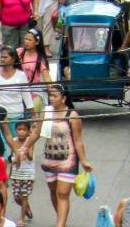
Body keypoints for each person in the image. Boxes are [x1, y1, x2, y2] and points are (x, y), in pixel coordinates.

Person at [39, 83, 92, 227]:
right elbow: (36, 132)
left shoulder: (72, 116)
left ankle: (60, 225)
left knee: (62, 193)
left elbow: (78, 140)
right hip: (49, 159)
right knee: (53, 191)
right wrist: (24, 148)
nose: (51, 98)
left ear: (63, 98)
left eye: (54, 96)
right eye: (50, 96)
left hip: (68, 161)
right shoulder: (46, 112)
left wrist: (84, 161)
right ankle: (61, 220)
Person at [9, 119, 36, 224]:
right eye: (19, 129)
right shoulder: (14, 141)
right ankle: (27, 208)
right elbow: (12, 158)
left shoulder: (30, 142)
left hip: (27, 174)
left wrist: (26, 151)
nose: (21, 132)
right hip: (16, 174)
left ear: (28, 131)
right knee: (16, 197)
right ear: (15, 130)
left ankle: (22, 218)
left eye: (24, 130)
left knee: (24, 196)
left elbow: (30, 158)